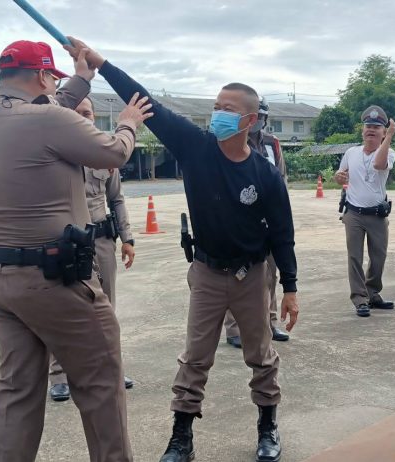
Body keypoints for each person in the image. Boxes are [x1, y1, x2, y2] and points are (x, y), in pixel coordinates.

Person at [64, 36, 300, 462]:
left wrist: (291, 288)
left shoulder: (265, 175)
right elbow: (145, 101)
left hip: (251, 275)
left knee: (261, 356)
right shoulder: (195, 147)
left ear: (249, 120)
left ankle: (267, 426)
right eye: (216, 105)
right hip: (207, 273)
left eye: (228, 108)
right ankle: (181, 438)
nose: (218, 113)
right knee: (195, 358)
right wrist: (100, 63)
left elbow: (283, 234)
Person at [0, 40, 152, 462]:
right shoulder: (47, 119)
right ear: (42, 76)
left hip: (0, 278)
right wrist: (128, 123)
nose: (54, 86)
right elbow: (113, 153)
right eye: (53, 78)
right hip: (54, 278)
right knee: (101, 382)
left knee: (16, 390)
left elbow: (49, 112)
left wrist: (82, 79)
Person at [48, 96, 138, 402]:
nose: (83, 117)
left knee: (106, 310)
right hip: (66, 242)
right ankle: (59, 375)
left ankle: (110, 369)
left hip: (101, 240)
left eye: (87, 113)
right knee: (64, 309)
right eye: (76, 112)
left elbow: (117, 199)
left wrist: (127, 238)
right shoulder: (53, 152)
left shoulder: (105, 152)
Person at [224, 96, 290, 347]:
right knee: (235, 274)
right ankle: (234, 329)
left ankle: (269, 322)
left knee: (269, 274)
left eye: (261, 117)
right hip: (237, 221)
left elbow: (281, 178)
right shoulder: (229, 142)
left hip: (267, 219)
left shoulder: (273, 143)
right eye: (255, 116)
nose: (257, 121)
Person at [333, 106, 395, 317]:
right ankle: (360, 298)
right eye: (368, 126)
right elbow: (340, 175)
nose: (371, 130)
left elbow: (379, 165)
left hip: (377, 215)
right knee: (355, 257)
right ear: (362, 130)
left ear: (383, 132)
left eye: (376, 128)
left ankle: (373, 293)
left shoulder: (389, 152)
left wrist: (389, 137)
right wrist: (339, 177)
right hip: (354, 213)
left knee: (378, 257)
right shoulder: (351, 153)